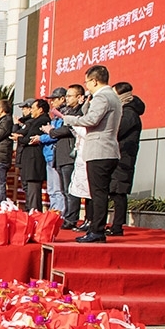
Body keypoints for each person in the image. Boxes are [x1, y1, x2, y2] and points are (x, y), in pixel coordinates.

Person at [60, 64, 123, 243]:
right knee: (99, 192)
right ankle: (96, 230)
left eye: (87, 82)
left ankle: (97, 231)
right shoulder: (112, 97)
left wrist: (68, 119)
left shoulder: (102, 97)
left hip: (99, 151)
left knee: (98, 193)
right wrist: (87, 103)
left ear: (94, 81)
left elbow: (92, 120)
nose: (86, 86)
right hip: (108, 150)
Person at [39, 87, 81, 228]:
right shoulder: (59, 115)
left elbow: (66, 130)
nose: (52, 103)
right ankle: (64, 216)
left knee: (68, 190)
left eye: (54, 99)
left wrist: (51, 131)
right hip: (59, 155)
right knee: (61, 190)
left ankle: (69, 218)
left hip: (68, 154)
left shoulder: (72, 113)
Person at [110, 81, 145, 236]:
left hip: (124, 156)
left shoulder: (129, 113)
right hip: (118, 154)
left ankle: (117, 226)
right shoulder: (123, 110)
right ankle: (115, 225)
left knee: (119, 191)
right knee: (114, 190)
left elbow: (117, 131)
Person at [17, 99, 51, 212]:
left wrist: (20, 139)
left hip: (35, 158)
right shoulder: (34, 121)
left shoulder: (42, 120)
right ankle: (30, 211)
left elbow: (30, 138)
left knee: (33, 189)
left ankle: (35, 213)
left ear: (40, 109)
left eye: (33, 108)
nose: (31, 110)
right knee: (29, 188)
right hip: (29, 158)